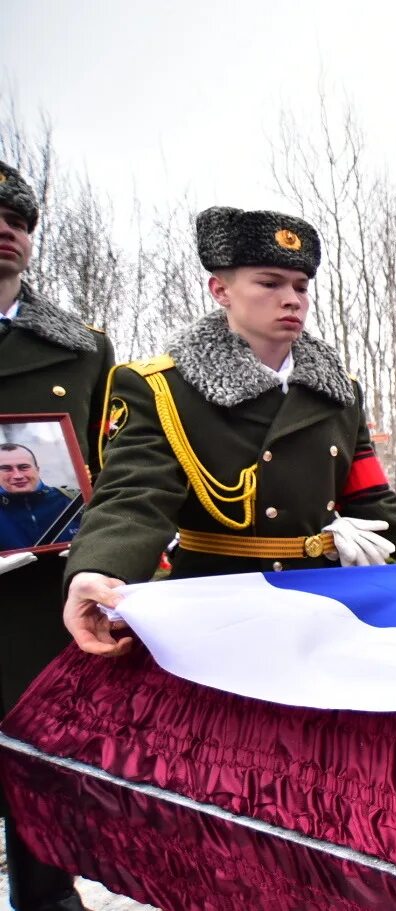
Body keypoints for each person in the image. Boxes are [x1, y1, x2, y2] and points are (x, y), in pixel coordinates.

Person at [63, 207, 396, 654]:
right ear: (220, 290)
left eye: (301, 286)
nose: (292, 299)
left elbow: (372, 500)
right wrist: (98, 568)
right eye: (269, 283)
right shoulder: (161, 387)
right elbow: (135, 496)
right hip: (213, 608)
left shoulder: (340, 392)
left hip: (320, 606)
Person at [0, 159, 115, 911]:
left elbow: (117, 475)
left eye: (19, 220)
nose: (7, 232)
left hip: (34, 607)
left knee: (39, 795)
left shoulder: (81, 349)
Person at [0, 443, 82, 551]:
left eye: (24, 467)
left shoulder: (73, 499)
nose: (17, 476)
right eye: (6, 469)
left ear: (37, 469)